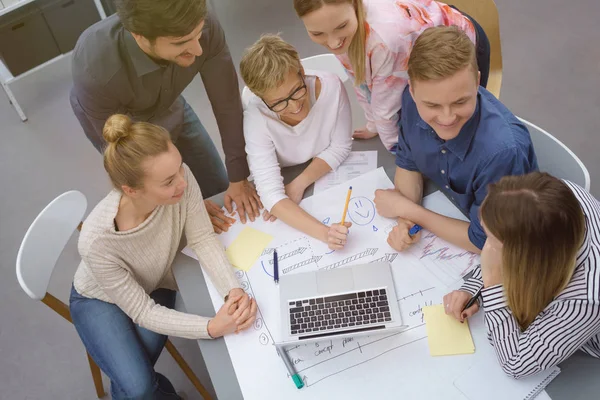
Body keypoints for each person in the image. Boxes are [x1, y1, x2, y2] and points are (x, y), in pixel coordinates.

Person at [69, 114, 258, 399]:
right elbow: (143, 312)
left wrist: (232, 290)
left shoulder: (181, 177)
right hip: (97, 298)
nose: (183, 183)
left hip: (154, 281)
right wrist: (210, 327)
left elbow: (203, 238)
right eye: (169, 181)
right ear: (131, 190)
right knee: (138, 387)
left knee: (136, 386)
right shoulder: (97, 241)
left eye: (180, 168)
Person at [70, 0, 261, 233]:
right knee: (160, 198)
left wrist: (239, 178)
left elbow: (228, 104)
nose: (199, 50)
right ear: (139, 37)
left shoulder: (201, 23)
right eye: (181, 42)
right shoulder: (95, 67)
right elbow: (129, 159)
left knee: (219, 187)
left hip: (169, 104)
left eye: (198, 35)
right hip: (120, 121)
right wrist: (183, 208)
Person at [373, 26, 538, 254]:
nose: (447, 118)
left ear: (477, 82)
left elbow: (485, 243)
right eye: (432, 105)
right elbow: (408, 163)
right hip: (456, 214)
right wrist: (405, 222)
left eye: (460, 102)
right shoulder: (411, 104)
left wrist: (410, 211)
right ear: (411, 91)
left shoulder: (501, 152)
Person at [443, 172, 600, 377]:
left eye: (493, 244)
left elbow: (516, 363)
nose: (486, 248)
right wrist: (474, 287)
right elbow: (511, 239)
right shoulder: (555, 197)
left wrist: (491, 283)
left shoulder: (588, 298)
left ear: (527, 259)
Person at [294, 0, 491, 151]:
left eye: (341, 27)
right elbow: (361, 80)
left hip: (460, 41)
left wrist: (397, 149)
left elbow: (385, 106)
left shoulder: (385, 41)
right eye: (318, 33)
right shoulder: (344, 32)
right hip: (421, 37)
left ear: (355, 5)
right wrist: (373, 125)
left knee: (460, 119)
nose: (334, 42)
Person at [239, 34, 352, 249]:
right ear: (259, 96)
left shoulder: (331, 86)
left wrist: (300, 183)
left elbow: (341, 146)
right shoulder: (255, 116)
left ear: (301, 70)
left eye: (296, 91)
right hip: (286, 172)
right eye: (279, 103)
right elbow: (271, 195)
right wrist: (325, 233)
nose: (293, 107)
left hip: (311, 177)